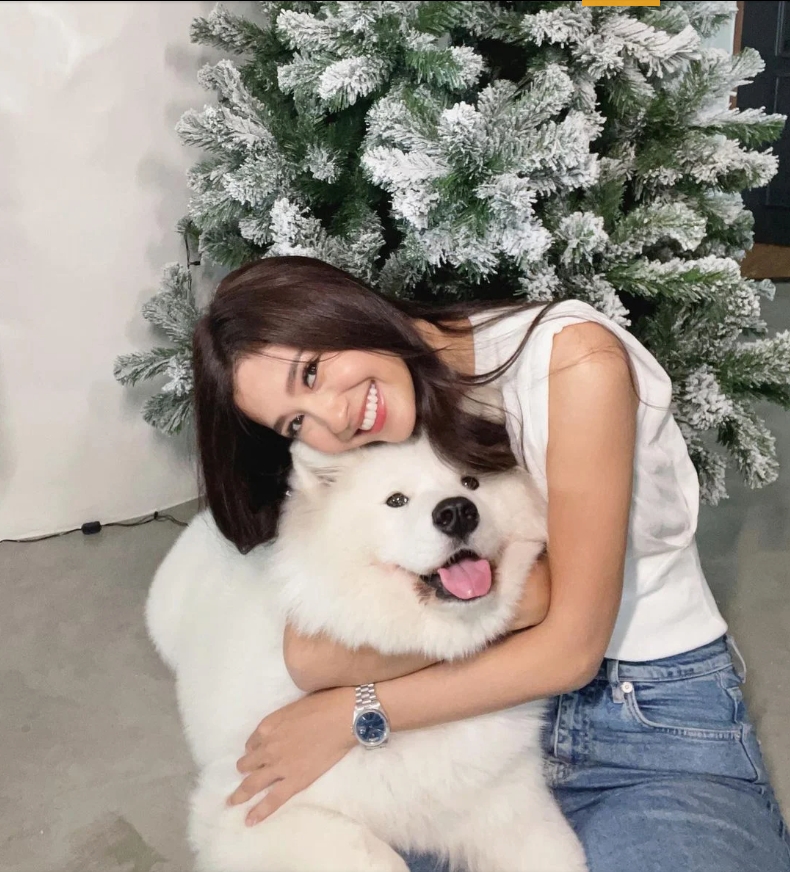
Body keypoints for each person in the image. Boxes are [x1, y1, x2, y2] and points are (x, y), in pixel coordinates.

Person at [190, 255, 790, 872]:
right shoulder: (381, 423)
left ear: (340, 310)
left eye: (312, 372)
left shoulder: (575, 363)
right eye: (297, 421)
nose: (335, 420)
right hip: (460, 727)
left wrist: (356, 713)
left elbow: (571, 650)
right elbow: (313, 657)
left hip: (641, 715)